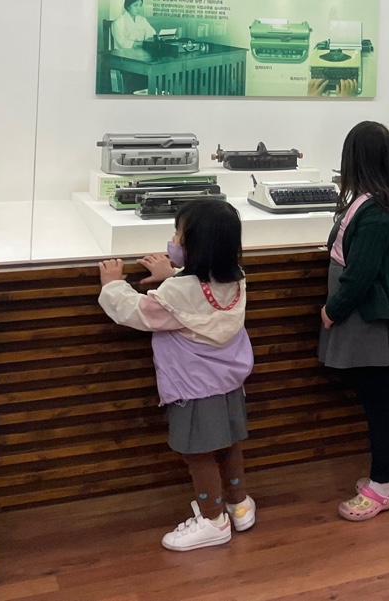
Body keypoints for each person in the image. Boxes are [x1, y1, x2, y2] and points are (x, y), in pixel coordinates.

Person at [97, 200, 254, 551]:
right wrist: (173, 275)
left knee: (197, 454)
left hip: (193, 388)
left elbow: (136, 311)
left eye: (179, 236)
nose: (173, 241)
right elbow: (200, 298)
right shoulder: (236, 279)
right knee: (229, 444)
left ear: (195, 247)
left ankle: (213, 521)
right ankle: (240, 506)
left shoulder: (178, 293)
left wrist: (112, 284)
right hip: (229, 385)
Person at [319, 121, 389, 521]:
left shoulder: (377, 212)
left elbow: (360, 274)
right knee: (381, 393)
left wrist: (333, 309)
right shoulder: (388, 201)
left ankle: (383, 484)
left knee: (376, 399)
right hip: (376, 314)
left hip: (368, 317)